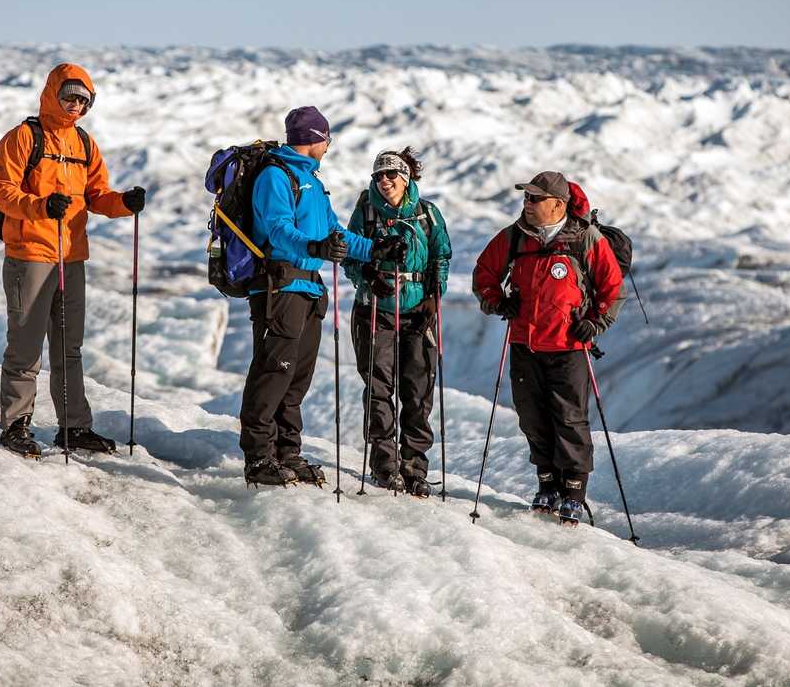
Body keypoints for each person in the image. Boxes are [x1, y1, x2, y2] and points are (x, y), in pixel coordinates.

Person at [239, 106, 406, 487]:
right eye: (326, 138)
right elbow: (278, 230)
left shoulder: (311, 183)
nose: (328, 145)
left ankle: (287, 452)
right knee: (273, 373)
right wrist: (315, 246)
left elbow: (335, 235)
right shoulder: (274, 176)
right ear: (316, 138)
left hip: (309, 290)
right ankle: (258, 457)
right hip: (280, 288)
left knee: (297, 378)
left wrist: (376, 250)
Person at [0, 63, 146, 457]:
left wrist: (124, 203)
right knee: (25, 347)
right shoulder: (23, 137)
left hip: (71, 257)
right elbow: (1, 191)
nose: (76, 105)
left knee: (67, 348)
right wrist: (40, 206)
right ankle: (16, 426)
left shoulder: (85, 144)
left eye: (83, 99)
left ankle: (74, 427)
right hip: (30, 255)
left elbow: (97, 195)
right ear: (53, 93)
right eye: (70, 96)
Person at [471, 171, 624, 523]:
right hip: (525, 343)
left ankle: (573, 490)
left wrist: (596, 322)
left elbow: (612, 287)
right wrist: (497, 302)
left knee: (569, 418)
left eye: (535, 198)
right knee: (532, 416)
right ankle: (547, 484)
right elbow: (484, 274)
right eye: (526, 197)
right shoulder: (514, 237)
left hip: (569, 346)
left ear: (558, 205)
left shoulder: (585, 239)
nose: (527, 203)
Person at [343, 148, 452, 496]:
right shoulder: (366, 213)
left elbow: (442, 257)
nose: (385, 181)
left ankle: (414, 467)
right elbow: (348, 253)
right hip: (374, 309)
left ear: (407, 178)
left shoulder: (428, 214)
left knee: (417, 391)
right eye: (379, 175)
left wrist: (435, 296)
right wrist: (367, 274)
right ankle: (385, 465)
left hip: (418, 313)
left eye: (392, 175)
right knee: (379, 389)